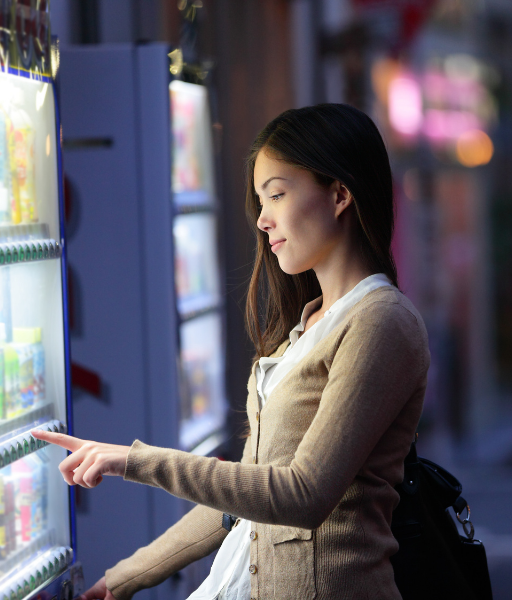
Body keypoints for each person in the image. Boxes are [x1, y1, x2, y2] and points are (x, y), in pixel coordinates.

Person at [33, 103, 430, 600]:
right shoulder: (306, 326)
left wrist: (134, 461)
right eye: (261, 202)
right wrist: (125, 578)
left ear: (340, 194)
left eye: (277, 195)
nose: (263, 220)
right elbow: (238, 503)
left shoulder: (381, 321)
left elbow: (302, 495)